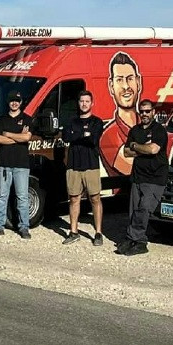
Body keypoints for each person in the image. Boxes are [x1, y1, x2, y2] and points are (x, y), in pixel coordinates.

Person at [120, 98, 169, 256]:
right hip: (137, 177)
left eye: (148, 111)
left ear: (153, 112)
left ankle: (135, 239)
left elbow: (153, 150)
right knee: (134, 211)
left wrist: (135, 145)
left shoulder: (159, 130)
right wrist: (143, 148)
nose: (144, 114)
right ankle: (136, 240)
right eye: (142, 111)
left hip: (155, 178)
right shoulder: (135, 130)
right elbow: (126, 152)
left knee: (144, 208)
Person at [61, 92, 106, 246]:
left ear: (92, 103)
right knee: (74, 198)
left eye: (87, 101)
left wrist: (77, 135)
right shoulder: (71, 121)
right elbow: (66, 137)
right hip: (73, 165)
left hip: (91, 165)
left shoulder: (97, 122)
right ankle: (73, 232)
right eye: (82, 101)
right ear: (78, 103)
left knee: (95, 198)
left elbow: (93, 139)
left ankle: (98, 233)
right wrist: (84, 134)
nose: (84, 104)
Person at [0, 89, 33, 239]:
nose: (14, 103)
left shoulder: (27, 119)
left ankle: (24, 227)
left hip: (21, 164)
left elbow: (26, 138)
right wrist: (18, 137)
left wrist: (7, 134)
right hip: (4, 164)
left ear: (21, 102)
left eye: (17, 100)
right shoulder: (1, 120)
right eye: (11, 100)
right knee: (2, 196)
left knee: (22, 197)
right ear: (8, 102)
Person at [99, 51, 142, 177]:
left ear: (138, 82)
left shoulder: (149, 125)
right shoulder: (108, 136)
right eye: (119, 80)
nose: (125, 86)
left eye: (130, 79)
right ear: (111, 86)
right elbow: (131, 167)